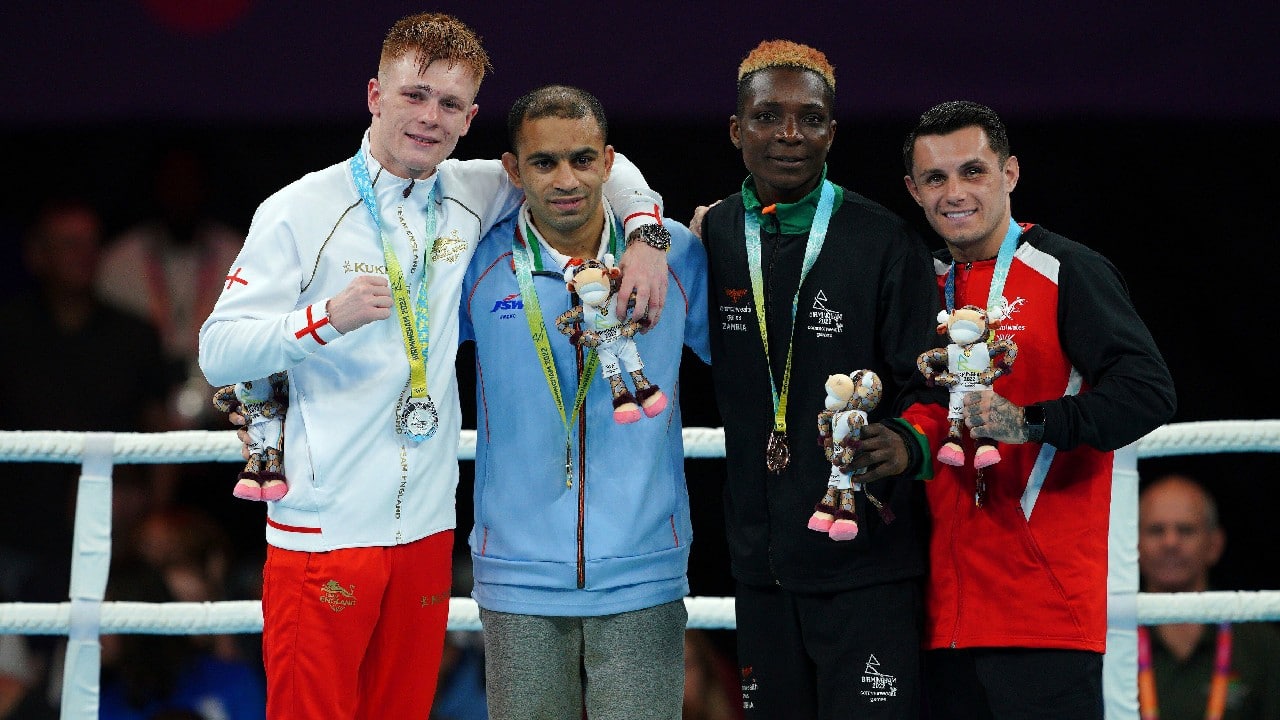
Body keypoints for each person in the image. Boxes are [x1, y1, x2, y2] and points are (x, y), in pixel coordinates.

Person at [197, 13, 669, 720]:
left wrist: (645, 235)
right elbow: (218, 350)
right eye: (415, 95)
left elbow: (603, 158)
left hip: (424, 533)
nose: (429, 117)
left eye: (450, 104)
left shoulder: (470, 189)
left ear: (471, 116)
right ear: (374, 95)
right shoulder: (301, 209)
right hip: (324, 533)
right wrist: (321, 320)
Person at [898, 100, 1178, 719]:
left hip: (1043, 610)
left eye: (973, 171)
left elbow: (1149, 391)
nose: (955, 193)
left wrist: (1031, 422)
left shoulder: (1066, 268)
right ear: (914, 191)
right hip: (939, 614)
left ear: (1010, 174)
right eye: (936, 178)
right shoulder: (920, 283)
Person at [697, 40, 941, 719]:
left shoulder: (885, 241)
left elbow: (930, 382)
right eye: (768, 116)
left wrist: (906, 440)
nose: (789, 135)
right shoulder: (713, 235)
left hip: (867, 564)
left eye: (810, 118)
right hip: (760, 565)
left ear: (832, 131)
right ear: (736, 130)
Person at [461, 84, 708, 719]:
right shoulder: (477, 263)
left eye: (582, 158)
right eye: (544, 162)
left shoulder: (674, 255)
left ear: (609, 162)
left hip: (642, 568)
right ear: (514, 171)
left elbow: (750, 364)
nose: (566, 179)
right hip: (517, 577)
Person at [1137, 473, 1280, 720]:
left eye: (1185, 530)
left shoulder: (1261, 645)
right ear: (1134, 544)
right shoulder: (1110, 639)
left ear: (1214, 545)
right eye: (1156, 530)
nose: (1170, 542)